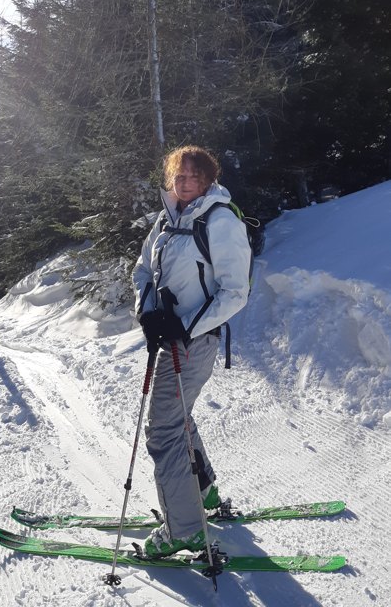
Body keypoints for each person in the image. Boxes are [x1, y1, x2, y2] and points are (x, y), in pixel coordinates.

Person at [132, 145, 251, 557]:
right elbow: (143, 270)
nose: (184, 184)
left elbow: (236, 292)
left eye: (192, 176)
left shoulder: (219, 220)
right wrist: (149, 314)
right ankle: (204, 493)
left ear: (208, 179)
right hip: (169, 339)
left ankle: (183, 529)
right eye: (177, 177)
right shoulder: (167, 221)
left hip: (196, 342)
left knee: (163, 429)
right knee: (176, 418)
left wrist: (184, 326)